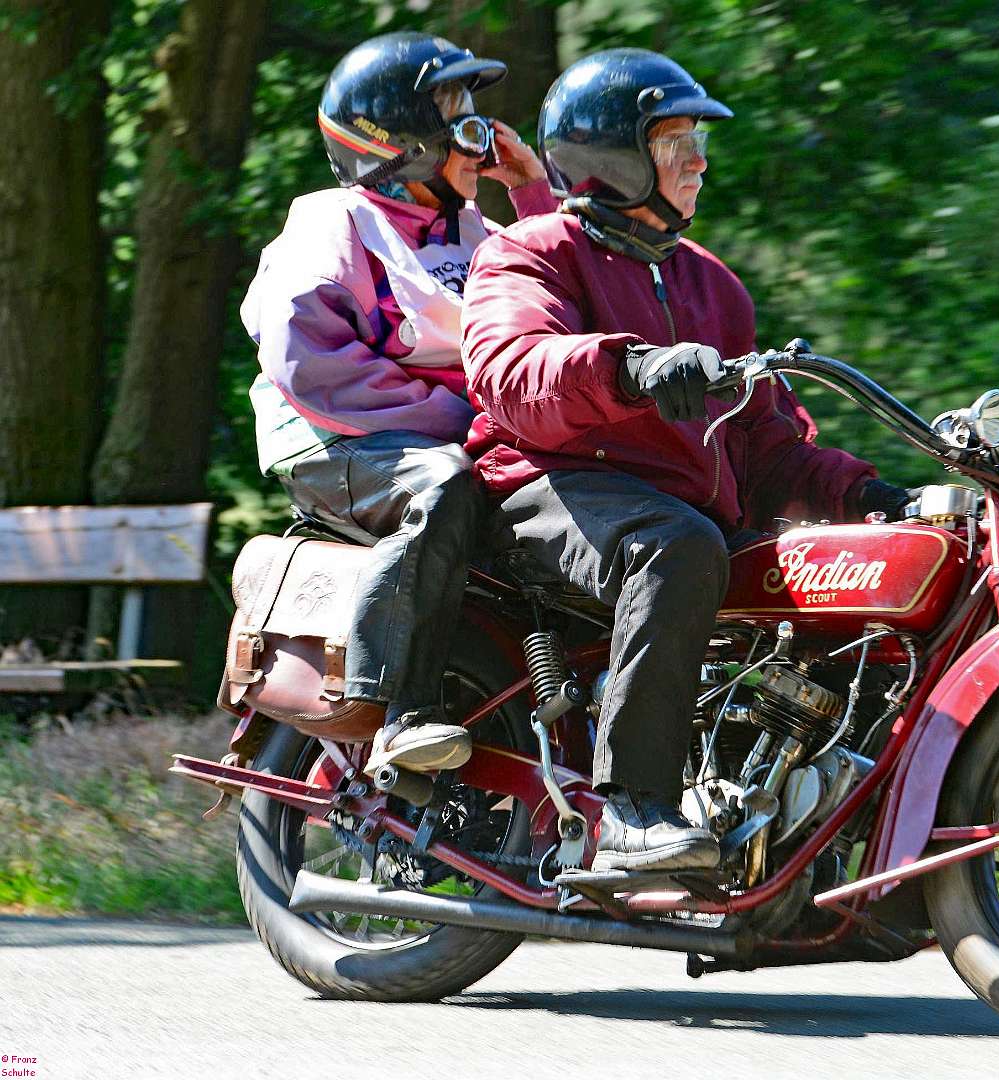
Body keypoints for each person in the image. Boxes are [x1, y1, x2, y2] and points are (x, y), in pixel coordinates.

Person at [461, 49, 913, 873]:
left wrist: (869, 497)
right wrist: (630, 368)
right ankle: (631, 810)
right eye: (675, 144)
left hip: (679, 507)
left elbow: (767, 446)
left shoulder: (712, 286)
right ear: (612, 158)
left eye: (697, 143)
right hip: (550, 483)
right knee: (677, 547)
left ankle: (816, 851)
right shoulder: (532, 251)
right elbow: (513, 372)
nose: (699, 162)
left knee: (850, 585)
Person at [240, 31, 555, 777]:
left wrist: (533, 190)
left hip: (454, 434)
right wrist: (465, 423)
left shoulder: (474, 230)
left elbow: (559, 300)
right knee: (442, 486)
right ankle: (402, 710)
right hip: (339, 439)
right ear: (402, 145)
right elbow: (312, 365)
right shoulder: (335, 224)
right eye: (459, 118)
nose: (482, 138)